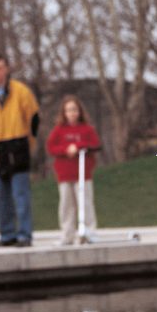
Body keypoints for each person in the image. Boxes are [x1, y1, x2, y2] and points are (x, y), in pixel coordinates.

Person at [0, 53, 40, 248]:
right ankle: (7, 234)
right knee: (1, 197)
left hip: (18, 145)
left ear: (7, 69)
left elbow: (34, 118)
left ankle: (24, 234)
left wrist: (30, 142)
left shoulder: (21, 92)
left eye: (0, 68)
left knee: (20, 194)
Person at [46, 95, 101, 245]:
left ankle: (89, 232)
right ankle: (67, 234)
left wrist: (78, 146)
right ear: (64, 112)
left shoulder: (87, 129)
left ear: (80, 111)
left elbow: (95, 144)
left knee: (85, 203)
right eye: (69, 110)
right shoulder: (59, 130)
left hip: (83, 174)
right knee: (66, 205)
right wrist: (66, 149)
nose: (72, 113)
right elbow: (51, 147)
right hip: (65, 174)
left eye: (74, 110)